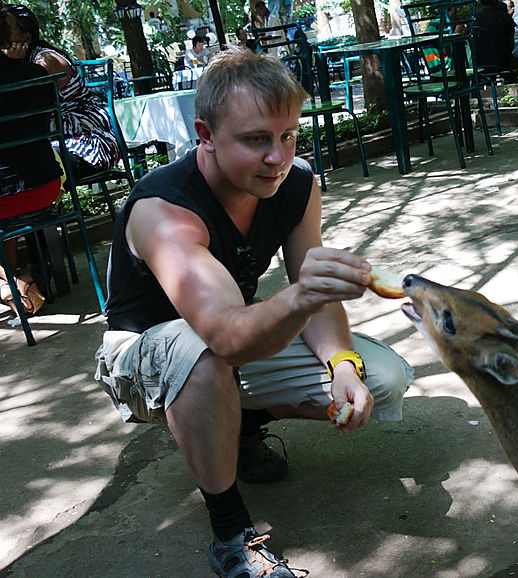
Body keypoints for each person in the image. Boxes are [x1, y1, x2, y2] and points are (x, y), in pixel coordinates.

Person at [93, 48, 413, 576]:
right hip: (142, 358)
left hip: (224, 340)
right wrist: (300, 295)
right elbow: (225, 335)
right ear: (206, 134)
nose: (277, 157)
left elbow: (312, 292)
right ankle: (232, 534)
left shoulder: (295, 183)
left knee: (381, 377)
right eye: (256, 139)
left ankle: (236, 429)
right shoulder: (165, 211)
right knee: (199, 351)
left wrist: (342, 367)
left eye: (288, 135)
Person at [1, 4, 119, 180]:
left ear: (26, 37)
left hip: (86, 143)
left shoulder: (45, 61)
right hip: (51, 140)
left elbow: (29, 109)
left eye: (6, 29)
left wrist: (13, 64)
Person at [0, 8, 59, 316]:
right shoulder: (36, 75)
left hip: (7, 200)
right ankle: (14, 286)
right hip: (47, 187)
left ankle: (13, 284)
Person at [473, 0, 516, 71]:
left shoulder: (475, 18)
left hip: (479, 61)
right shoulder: (503, 16)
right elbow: (511, 45)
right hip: (501, 60)